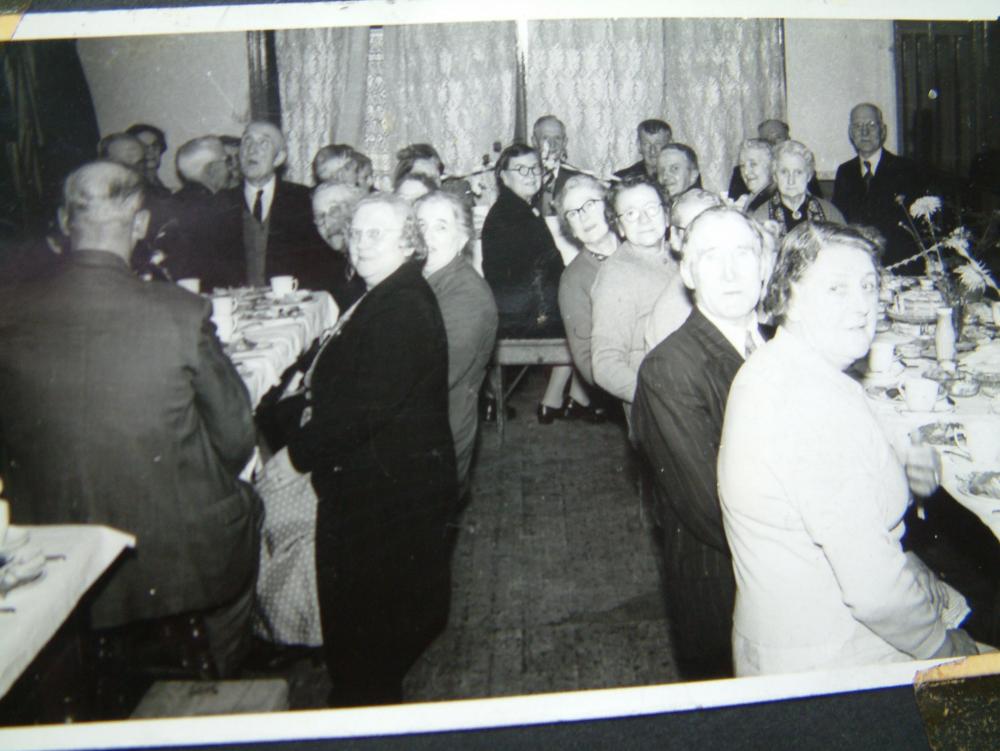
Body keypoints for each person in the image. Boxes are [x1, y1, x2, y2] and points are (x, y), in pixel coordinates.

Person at [0, 161, 260, 678]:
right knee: (248, 508)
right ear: (140, 224)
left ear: (63, 221)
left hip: (53, 552)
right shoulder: (180, 311)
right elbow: (237, 440)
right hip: (176, 558)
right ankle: (221, 683)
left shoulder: (8, 310)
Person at [718, 221, 984, 676]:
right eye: (837, 289)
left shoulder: (778, 364)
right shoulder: (809, 406)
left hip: (783, 629)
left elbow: (852, 435)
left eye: (867, 285)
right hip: (828, 658)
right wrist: (945, 647)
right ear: (791, 296)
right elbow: (874, 590)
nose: (862, 305)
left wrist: (901, 454)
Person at [282, 193, 456, 706]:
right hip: (384, 481)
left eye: (375, 234)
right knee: (373, 629)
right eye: (356, 234)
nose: (360, 244)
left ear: (409, 243)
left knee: (368, 639)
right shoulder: (385, 292)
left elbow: (360, 412)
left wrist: (292, 446)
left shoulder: (401, 309)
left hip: (386, 495)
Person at [632, 208, 772, 680]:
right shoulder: (669, 370)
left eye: (744, 255)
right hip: (726, 586)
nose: (731, 272)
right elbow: (713, 508)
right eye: (712, 257)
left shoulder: (778, 345)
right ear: (688, 273)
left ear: (765, 265)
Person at [481, 143, 572, 423]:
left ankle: (490, 399)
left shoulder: (510, 209)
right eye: (521, 169)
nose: (531, 174)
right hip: (524, 316)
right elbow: (551, 268)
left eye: (535, 168)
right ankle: (554, 401)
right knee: (584, 319)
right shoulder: (516, 215)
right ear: (503, 177)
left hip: (510, 309)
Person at [416, 191, 499, 490]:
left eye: (440, 227)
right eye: (420, 225)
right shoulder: (422, 280)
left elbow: (430, 376)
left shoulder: (467, 296)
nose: (426, 236)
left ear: (463, 238)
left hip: (436, 438)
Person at [590, 177, 677, 417]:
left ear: (667, 214)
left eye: (651, 208)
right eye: (630, 213)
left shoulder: (680, 254)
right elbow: (605, 364)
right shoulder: (617, 275)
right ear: (619, 227)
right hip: (661, 404)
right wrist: (658, 399)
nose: (644, 219)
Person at [215, 120, 329, 289]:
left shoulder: (303, 199)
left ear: (279, 158)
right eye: (247, 141)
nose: (252, 149)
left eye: (264, 143)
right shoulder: (220, 203)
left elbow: (319, 263)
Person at [833, 102, 927, 268]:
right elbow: (839, 222)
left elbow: (916, 228)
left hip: (899, 265)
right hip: (857, 264)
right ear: (851, 133)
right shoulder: (845, 172)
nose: (864, 132)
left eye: (871, 125)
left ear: (883, 130)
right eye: (857, 126)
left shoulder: (907, 169)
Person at [554, 174, 618, 419]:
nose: (583, 216)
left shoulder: (638, 247)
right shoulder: (574, 279)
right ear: (569, 228)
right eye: (572, 213)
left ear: (608, 205)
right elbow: (585, 360)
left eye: (590, 205)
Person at [163, 135, 233, 286]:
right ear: (212, 169)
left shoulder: (174, 202)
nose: (231, 169)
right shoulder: (216, 207)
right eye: (227, 161)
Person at [753, 140, 844, 236]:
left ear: (808, 176)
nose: (791, 181)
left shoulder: (830, 213)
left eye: (798, 172)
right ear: (775, 176)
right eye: (784, 172)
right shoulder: (761, 217)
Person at [727, 119, 822, 201]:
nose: (772, 142)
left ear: (788, 140)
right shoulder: (743, 172)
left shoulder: (802, 170)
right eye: (766, 139)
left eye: (778, 137)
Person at [310, 181, 367, 310]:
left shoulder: (373, 261)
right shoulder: (331, 265)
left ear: (356, 210)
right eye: (320, 216)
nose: (327, 223)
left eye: (334, 211)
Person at [532, 115, 581, 216]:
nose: (552, 144)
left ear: (564, 143)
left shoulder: (578, 180)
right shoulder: (525, 177)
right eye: (545, 138)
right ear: (534, 142)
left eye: (557, 138)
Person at [126, 122, 171, 198]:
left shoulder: (156, 182)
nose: (150, 151)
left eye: (154, 145)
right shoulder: (133, 188)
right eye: (143, 146)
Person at [727, 138, 773, 211]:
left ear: (770, 166)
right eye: (742, 165)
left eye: (753, 164)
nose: (746, 172)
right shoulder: (752, 198)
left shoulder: (773, 203)